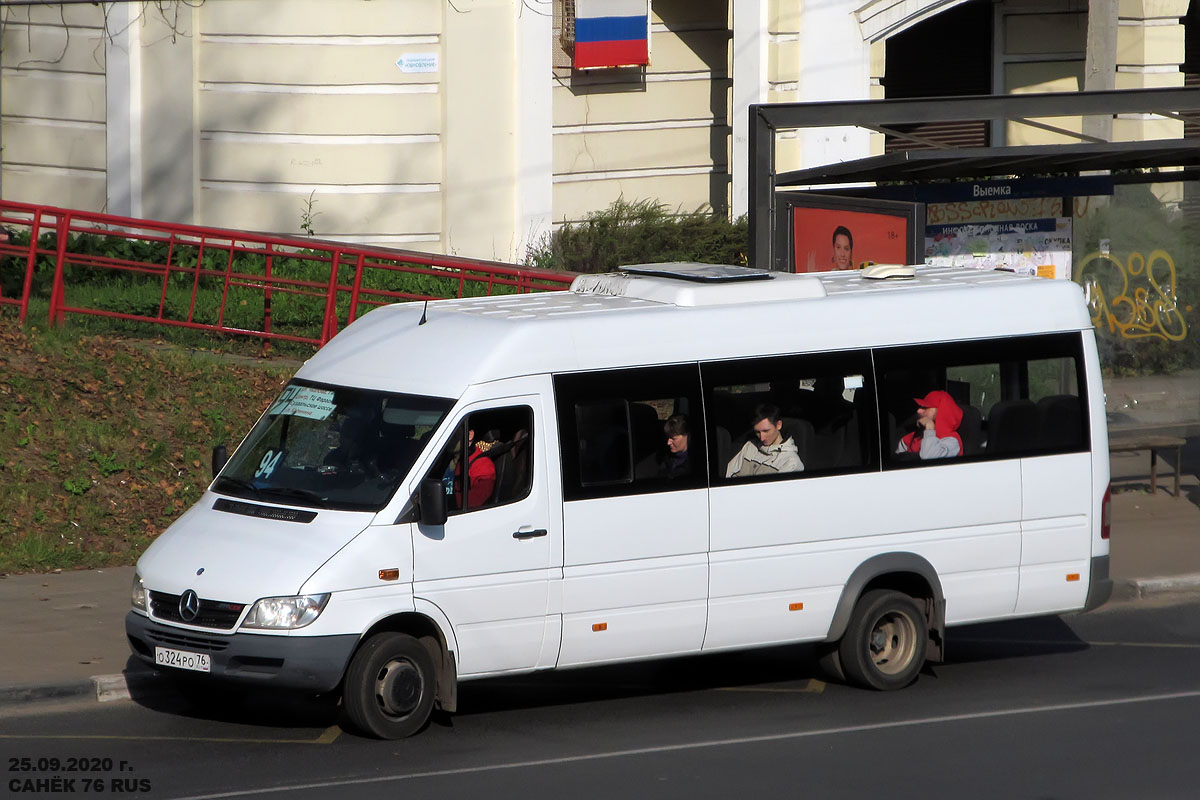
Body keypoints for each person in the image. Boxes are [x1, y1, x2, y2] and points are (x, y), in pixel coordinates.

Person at [726, 404, 804, 478]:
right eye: (757, 432)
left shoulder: (791, 462)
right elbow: (729, 474)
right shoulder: (750, 446)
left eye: (766, 431)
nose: (762, 438)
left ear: (778, 425)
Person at [896, 390, 963, 460]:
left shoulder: (952, 441)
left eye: (925, 407)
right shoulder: (915, 436)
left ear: (941, 411)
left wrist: (930, 427)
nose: (918, 411)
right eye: (921, 407)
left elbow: (928, 457)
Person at [454, 428, 498, 508]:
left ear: (470, 435)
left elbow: (470, 507)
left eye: (453, 432)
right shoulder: (454, 459)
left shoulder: (484, 466)